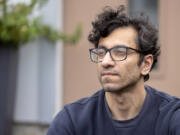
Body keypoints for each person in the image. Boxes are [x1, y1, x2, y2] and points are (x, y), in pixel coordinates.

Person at [47, 5, 180, 135]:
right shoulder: (72, 121)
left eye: (120, 52)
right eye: (101, 52)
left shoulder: (172, 117)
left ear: (146, 64)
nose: (105, 62)